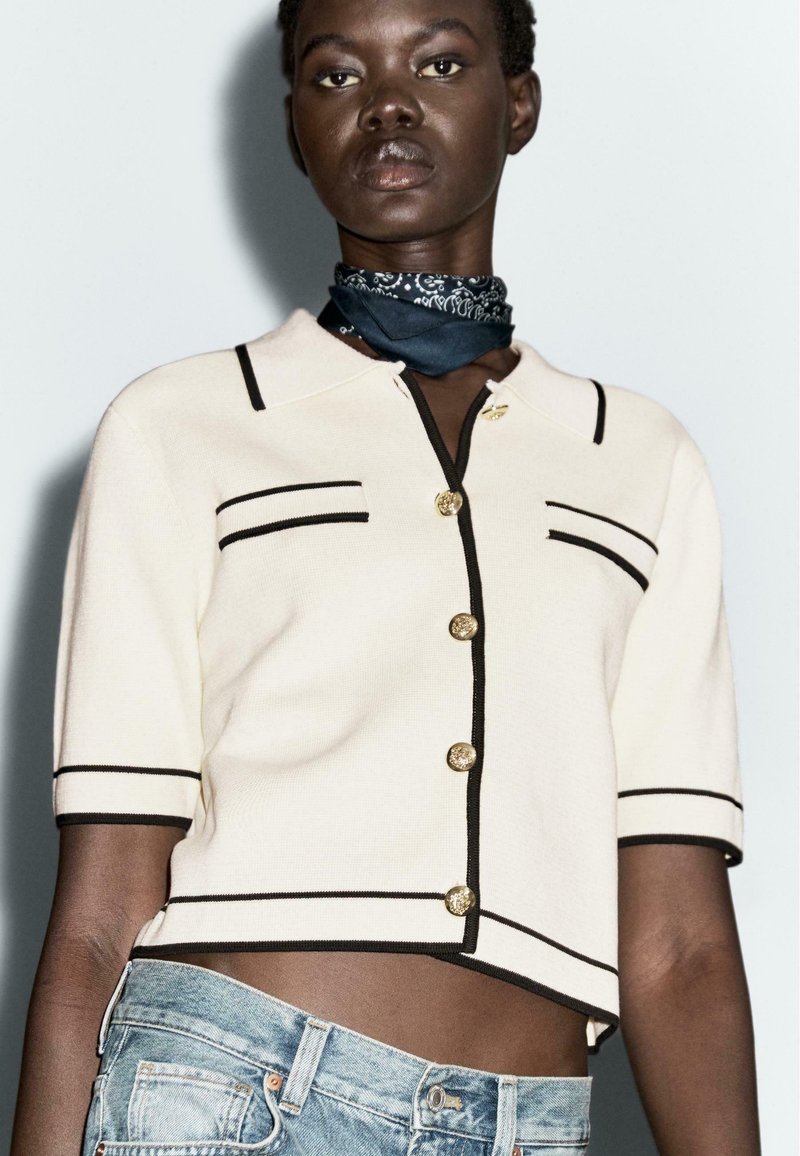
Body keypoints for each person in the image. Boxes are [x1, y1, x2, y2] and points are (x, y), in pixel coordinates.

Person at [11, 1, 761, 1154]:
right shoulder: (182, 425)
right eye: (335, 75)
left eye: (440, 62)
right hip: (222, 1092)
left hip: (531, 1123)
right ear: (295, 128)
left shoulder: (637, 459)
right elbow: (99, 915)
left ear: (519, 105)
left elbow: (678, 948)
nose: (387, 104)